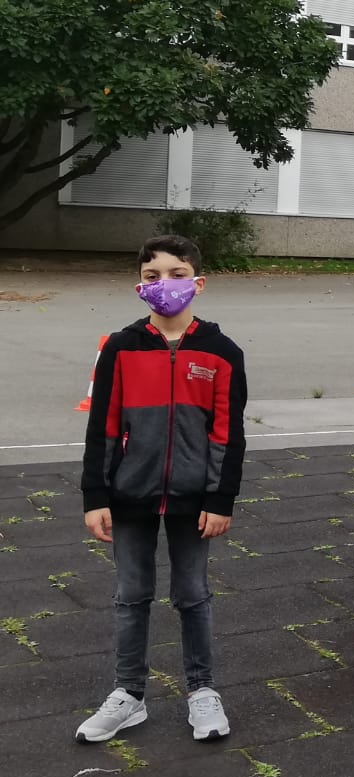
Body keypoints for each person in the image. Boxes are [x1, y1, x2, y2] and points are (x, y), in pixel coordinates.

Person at [76, 234, 247, 745]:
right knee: (131, 597)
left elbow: (228, 434)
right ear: (139, 283)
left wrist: (220, 499)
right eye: (153, 276)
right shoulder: (122, 348)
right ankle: (128, 694)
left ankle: (201, 690)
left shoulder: (221, 352)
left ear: (198, 282)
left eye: (176, 274)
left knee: (192, 595)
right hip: (131, 496)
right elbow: (103, 428)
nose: (164, 284)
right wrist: (96, 496)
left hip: (195, 500)